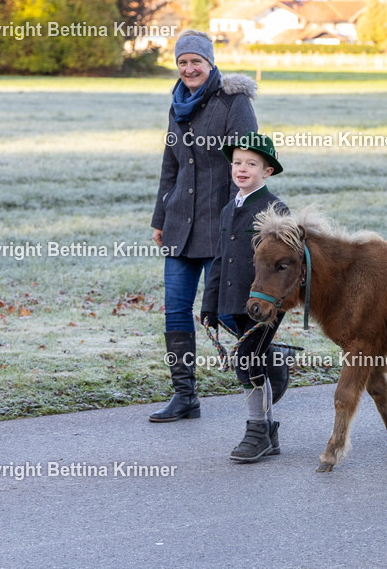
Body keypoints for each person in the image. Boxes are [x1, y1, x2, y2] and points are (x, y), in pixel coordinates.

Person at [149, 29, 258, 423]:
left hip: (220, 224)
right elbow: (171, 165)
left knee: (227, 314)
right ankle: (185, 396)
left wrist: (237, 221)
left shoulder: (234, 102)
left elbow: (246, 165)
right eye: (182, 62)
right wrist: (160, 219)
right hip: (179, 225)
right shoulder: (177, 103)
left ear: (210, 63)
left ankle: (268, 364)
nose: (189, 68)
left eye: (196, 61)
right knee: (176, 311)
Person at [200, 133, 288, 463]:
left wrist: (275, 301)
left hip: (265, 304)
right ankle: (268, 432)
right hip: (233, 300)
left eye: (251, 164)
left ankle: (258, 431)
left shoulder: (275, 209)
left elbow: (285, 264)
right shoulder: (228, 209)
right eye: (237, 162)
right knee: (252, 360)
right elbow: (219, 260)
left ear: (267, 171)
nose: (241, 168)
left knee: (247, 361)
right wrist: (209, 305)